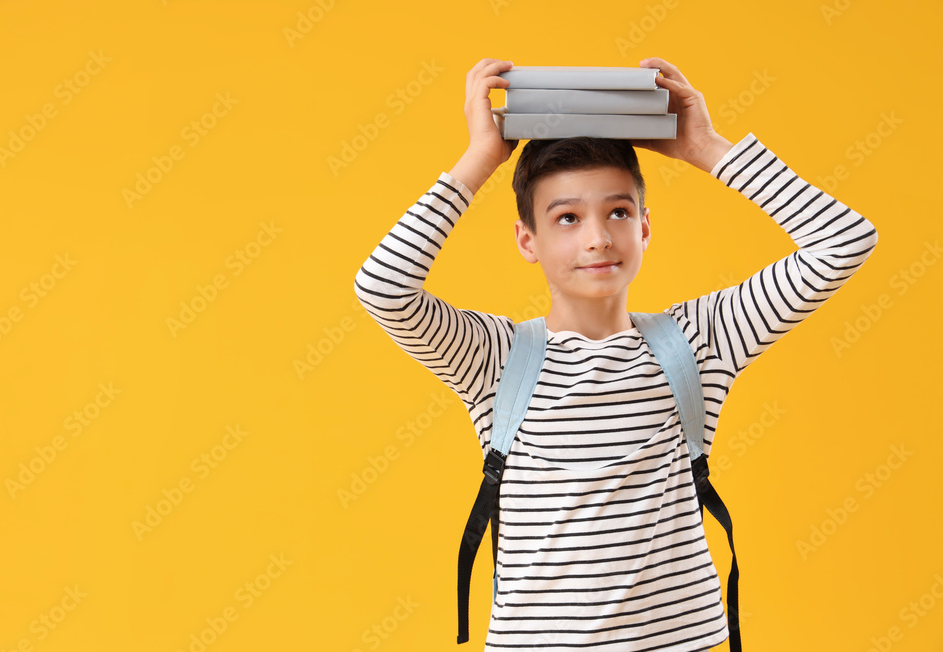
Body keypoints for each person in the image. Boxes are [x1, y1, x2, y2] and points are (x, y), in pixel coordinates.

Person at [353, 56, 878, 651]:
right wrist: (481, 158)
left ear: (645, 228)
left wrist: (705, 147)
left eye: (618, 212)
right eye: (568, 218)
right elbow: (383, 288)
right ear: (529, 239)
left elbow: (844, 241)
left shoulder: (699, 341)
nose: (598, 236)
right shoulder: (496, 359)